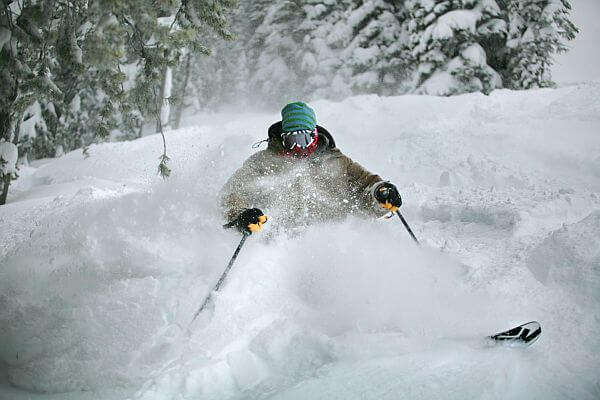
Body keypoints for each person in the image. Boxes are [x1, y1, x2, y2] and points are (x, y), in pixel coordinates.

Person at [220, 102, 403, 236]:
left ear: (315, 135)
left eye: (304, 138)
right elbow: (232, 194)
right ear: (283, 140)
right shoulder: (262, 163)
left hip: (330, 242)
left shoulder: (338, 162)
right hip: (277, 243)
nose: (300, 147)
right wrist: (242, 214)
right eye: (293, 140)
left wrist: (381, 193)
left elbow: (368, 187)